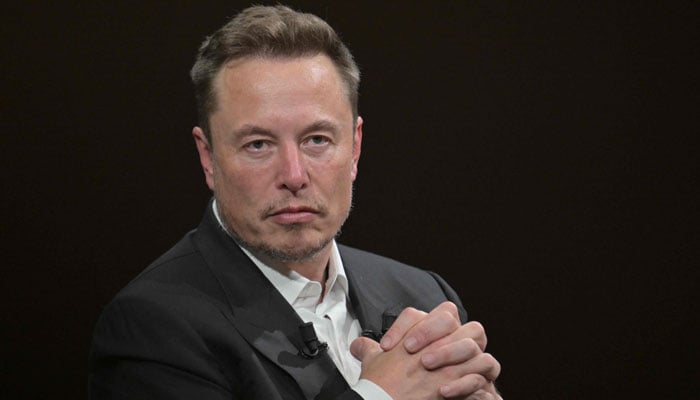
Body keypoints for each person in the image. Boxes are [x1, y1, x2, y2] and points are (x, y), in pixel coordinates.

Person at [89, 5, 501, 400]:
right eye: (258, 145)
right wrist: (380, 395)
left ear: (355, 148)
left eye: (317, 140)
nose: (294, 176)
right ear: (208, 157)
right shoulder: (151, 327)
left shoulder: (423, 294)